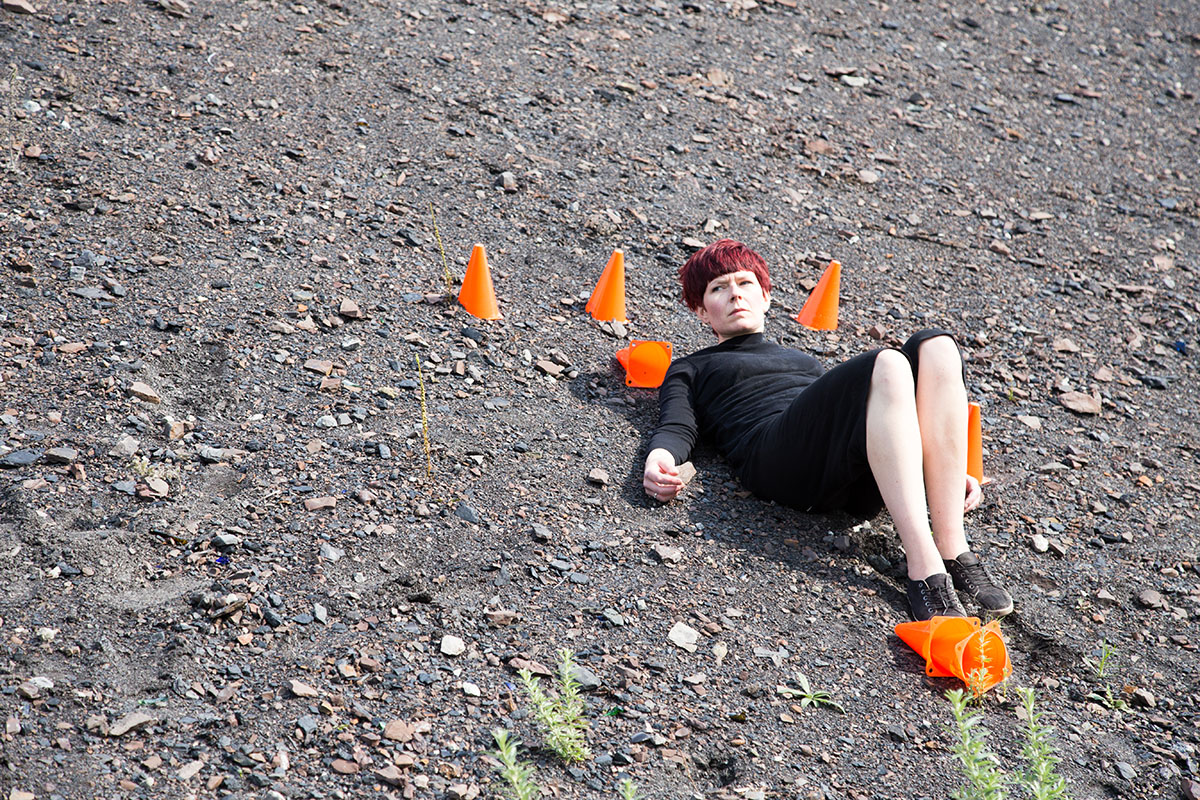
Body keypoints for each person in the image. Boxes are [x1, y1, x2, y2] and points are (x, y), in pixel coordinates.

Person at [642, 239, 1013, 621]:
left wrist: (940, 471)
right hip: (775, 461)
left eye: (745, 283)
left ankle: (953, 548)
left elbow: (879, 421)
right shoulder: (693, 367)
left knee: (936, 344)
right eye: (719, 288)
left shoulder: (802, 361)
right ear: (702, 310)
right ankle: (925, 570)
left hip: (851, 480)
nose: (735, 294)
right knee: (887, 363)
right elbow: (676, 426)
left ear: (766, 297)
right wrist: (659, 461)